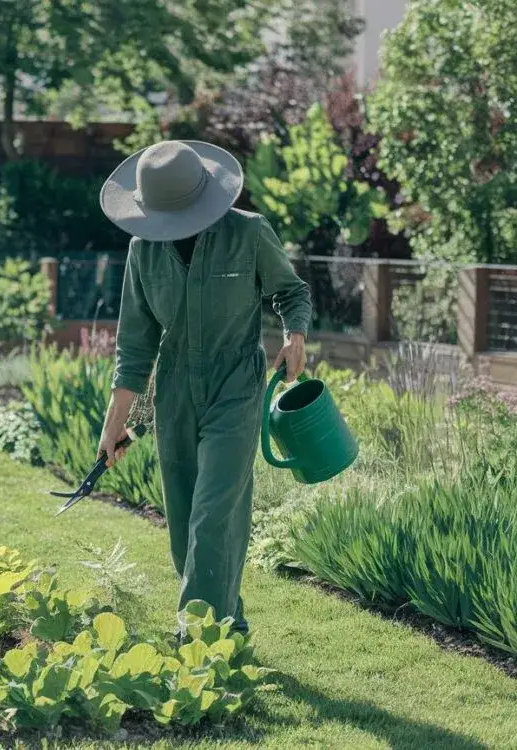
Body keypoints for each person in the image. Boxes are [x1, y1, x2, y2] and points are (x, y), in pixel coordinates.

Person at [97, 140, 311, 636]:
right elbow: (135, 345)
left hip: (235, 385)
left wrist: (294, 333)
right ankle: (226, 619)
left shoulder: (249, 233)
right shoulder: (142, 249)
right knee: (184, 528)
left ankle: (197, 638)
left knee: (214, 513)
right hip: (172, 394)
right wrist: (115, 426)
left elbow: (290, 290)